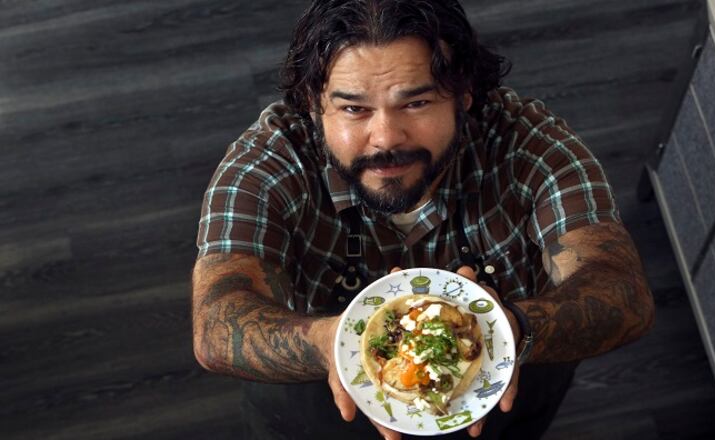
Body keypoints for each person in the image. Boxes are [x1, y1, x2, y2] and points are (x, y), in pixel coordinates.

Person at [191, 0, 655, 439]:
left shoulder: (530, 146)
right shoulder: (270, 159)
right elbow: (216, 325)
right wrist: (327, 341)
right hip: (319, 406)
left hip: (501, 394)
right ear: (315, 103)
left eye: (416, 103)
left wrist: (509, 327)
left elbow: (624, 295)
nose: (386, 138)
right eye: (354, 108)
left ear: (464, 93)